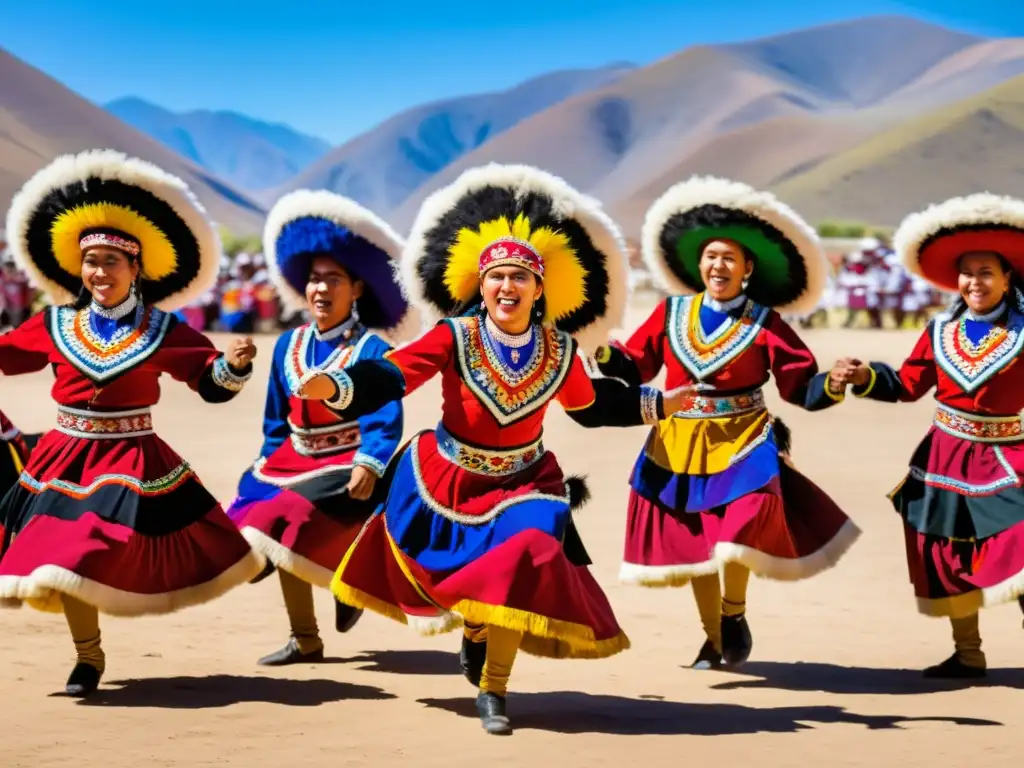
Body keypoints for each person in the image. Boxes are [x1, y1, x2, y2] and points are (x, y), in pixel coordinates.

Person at [297, 164, 679, 735]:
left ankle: (494, 689)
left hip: (526, 482)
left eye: (519, 278)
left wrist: (656, 404)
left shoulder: (558, 348)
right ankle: (474, 630)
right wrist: (338, 387)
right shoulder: (454, 335)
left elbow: (590, 405)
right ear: (482, 283)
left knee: (528, 549)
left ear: (539, 288)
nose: (508, 287)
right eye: (497, 276)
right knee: (456, 574)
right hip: (449, 477)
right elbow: (396, 374)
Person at [0, 149, 262, 697]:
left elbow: (207, 378)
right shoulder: (54, 323)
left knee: (89, 547)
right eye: (91, 261)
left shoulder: (163, 329)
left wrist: (232, 367)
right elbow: (8, 355)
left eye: (111, 262)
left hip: (131, 455)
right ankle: (88, 657)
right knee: (59, 553)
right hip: (64, 454)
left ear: (135, 269)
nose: (99, 272)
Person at [594, 176, 861, 670]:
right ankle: (713, 636)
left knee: (740, 523)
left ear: (747, 269)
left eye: (729, 259)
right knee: (696, 542)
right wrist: (605, 351)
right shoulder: (671, 312)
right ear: (700, 264)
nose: (718, 265)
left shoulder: (766, 322)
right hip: (677, 438)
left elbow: (799, 386)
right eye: (711, 256)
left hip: (743, 437)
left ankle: (733, 615)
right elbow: (637, 366)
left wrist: (836, 383)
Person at [828, 192, 1024, 679]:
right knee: (946, 551)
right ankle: (968, 654)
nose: (974, 282)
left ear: (1007, 278)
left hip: (1007, 455)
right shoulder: (939, 330)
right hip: (944, 456)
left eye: (986, 272)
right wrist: (864, 377)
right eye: (967, 272)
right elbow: (908, 385)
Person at [226, 189, 416, 664]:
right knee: (244, 535)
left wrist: (371, 463)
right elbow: (275, 419)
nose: (321, 290)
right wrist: (263, 462)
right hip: (291, 459)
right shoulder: (287, 344)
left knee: (283, 517)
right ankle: (308, 634)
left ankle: (342, 586)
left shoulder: (374, 351)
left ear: (357, 290)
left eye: (334, 280)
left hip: (347, 461)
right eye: (314, 280)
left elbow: (385, 417)